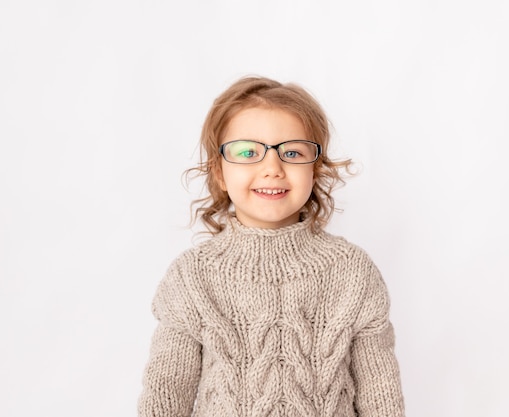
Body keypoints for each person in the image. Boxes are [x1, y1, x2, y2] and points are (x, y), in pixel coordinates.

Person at [137, 75, 405, 417]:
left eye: (291, 152)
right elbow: (165, 396)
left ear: (316, 168)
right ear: (219, 172)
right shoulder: (192, 277)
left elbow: (381, 397)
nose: (272, 169)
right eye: (248, 152)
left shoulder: (352, 272)